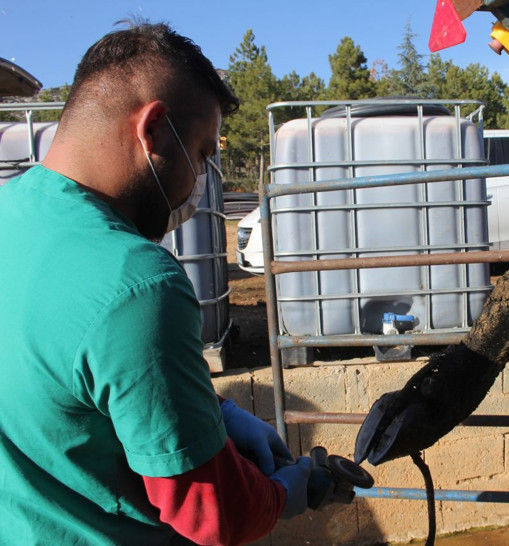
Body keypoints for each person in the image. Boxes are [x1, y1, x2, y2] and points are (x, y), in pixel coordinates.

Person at [0, 21, 312, 545]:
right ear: (154, 128)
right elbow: (215, 512)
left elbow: (65, 380)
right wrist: (288, 491)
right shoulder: (137, 283)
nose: (199, 180)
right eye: (204, 152)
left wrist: (217, 412)